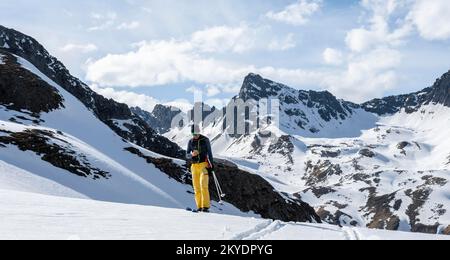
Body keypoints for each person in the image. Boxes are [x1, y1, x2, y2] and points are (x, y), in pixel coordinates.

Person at [186, 124, 214, 213]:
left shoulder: (205, 140)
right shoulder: (190, 142)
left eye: (197, 133)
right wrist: (191, 155)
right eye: (193, 134)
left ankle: (205, 207)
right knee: (196, 188)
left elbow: (210, 153)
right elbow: (187, 155)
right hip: (194, 166)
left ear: (199, 131)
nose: (195, 135)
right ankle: (199, 207)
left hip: (203, 165)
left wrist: (211, 166)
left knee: (203, 185)